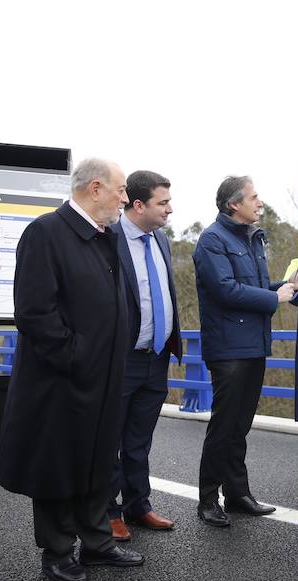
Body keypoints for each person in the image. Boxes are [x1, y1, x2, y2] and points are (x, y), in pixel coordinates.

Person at [0, 158, 144, 581]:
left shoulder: (106, 237)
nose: (124, 198)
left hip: (104, 377)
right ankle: (58, 552)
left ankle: (97, 543)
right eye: (119, 190)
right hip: (62, 381)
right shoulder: (45, 233)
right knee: (58, 465)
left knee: (98, 462)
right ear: (95, 189)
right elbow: (34, 312)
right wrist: (76, 357)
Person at [192, 175, 298, 527]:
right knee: (224, 424)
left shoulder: (253, 239)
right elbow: (225, 290)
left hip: (253, 345)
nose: (260, 202)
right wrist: (274, 297)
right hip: (228, 348)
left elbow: (257, 287)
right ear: (235, 204)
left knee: (240, 425)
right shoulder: (212, 240)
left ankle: (237, 493)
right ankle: (207, 499)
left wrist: (290, 285)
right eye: (254, 197)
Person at [107, 170, 183, 542]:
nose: (170, 209)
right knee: (109, 440)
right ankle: (109, 511)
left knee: (139, 440)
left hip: (157, 360)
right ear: (138, 205)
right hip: (122, 358)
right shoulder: (108, 237)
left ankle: (139, 505)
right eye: (163, 202)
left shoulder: (162, 240)